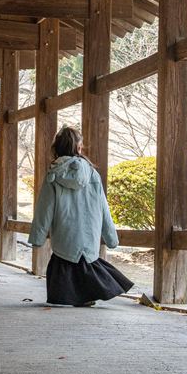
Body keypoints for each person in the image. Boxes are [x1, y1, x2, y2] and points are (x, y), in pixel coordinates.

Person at [28, 126, 133, 306]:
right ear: (78, 148)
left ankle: (67, 296)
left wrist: (37, 238)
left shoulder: (53, 175)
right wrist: (111, 238)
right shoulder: (92, 173)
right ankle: (87, 295)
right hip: (89, 234)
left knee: (64, 263)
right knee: (87, 263)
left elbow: (44, 209)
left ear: (57, 149)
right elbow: (103, 207)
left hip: (65, 235)